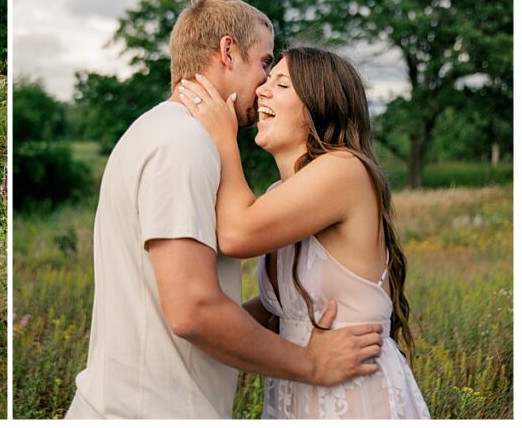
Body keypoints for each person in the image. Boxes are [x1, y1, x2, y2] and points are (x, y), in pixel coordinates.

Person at [65, 0, 384, 420]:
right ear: (228, 51)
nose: (265, 81)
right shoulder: (185, 143)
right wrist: (311, 362)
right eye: (265, 62)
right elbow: (193, 309)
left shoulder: (155, 129)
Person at [176, 46, 430, 418]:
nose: (262, 88)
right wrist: (198, 325)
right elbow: (277, 310)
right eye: (267, 79)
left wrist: (223, 139)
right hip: (296, 396)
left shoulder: (344, 169)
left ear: (317, 106)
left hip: (354, 395)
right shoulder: (280, 196)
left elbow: (236, 235)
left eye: (281, 84)